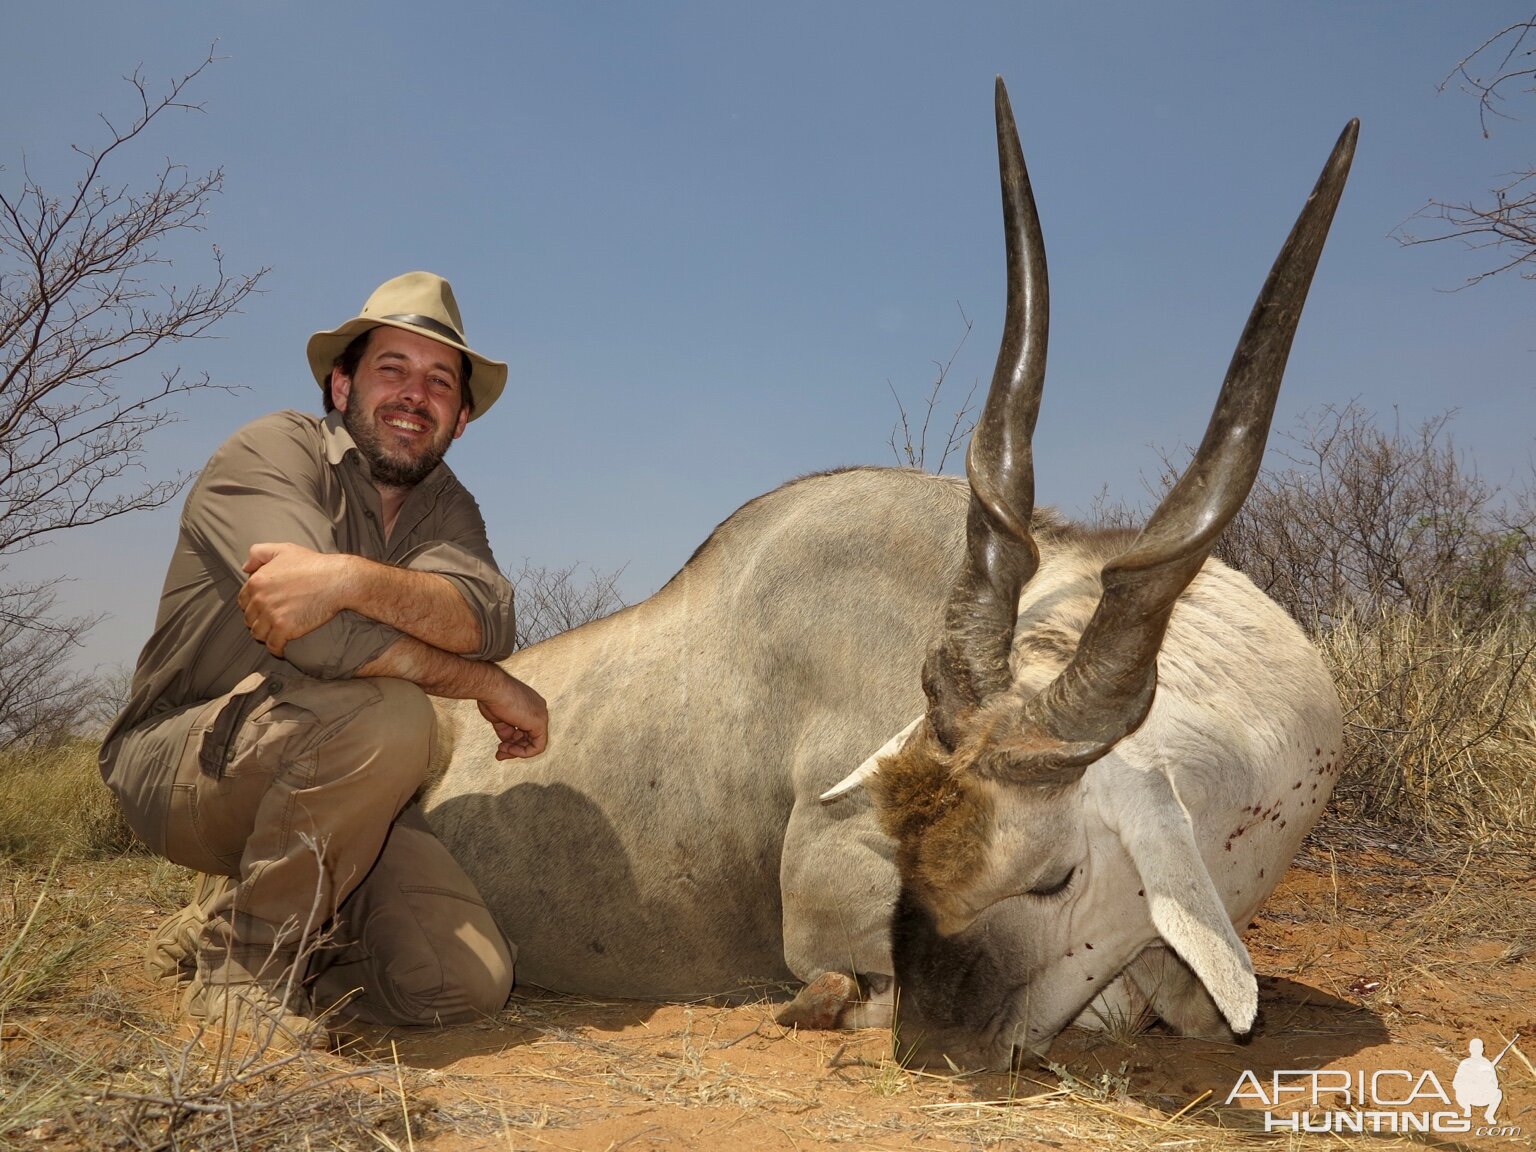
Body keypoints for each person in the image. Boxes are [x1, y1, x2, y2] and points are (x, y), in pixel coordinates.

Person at [99, 271, 547, 1051]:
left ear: (462, 418)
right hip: (184, 762)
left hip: (337, 777)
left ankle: (267, 918)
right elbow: (311, 639)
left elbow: (488, 616)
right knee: (393, 715)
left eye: (441, 381)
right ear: (342, 384)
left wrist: (346, 578)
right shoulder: (269, 449)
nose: (416, 393)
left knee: (465, 985)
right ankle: (243, 975)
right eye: (393, 369)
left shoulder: (448, 506)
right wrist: (485, 684)